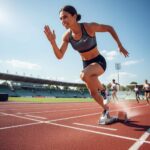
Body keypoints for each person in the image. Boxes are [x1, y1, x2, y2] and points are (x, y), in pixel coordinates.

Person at [44, 5, 129, 123]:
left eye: (65, 17)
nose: (63, 21)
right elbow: (59, 55)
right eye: (61, 19)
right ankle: (106, 110)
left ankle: (105, 92)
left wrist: (119, 45)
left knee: (84, 75)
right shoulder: (67, 36)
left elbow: (109, 28)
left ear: (74, 16)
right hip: (86, 64)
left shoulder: (88, 27)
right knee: (93, 92)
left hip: (99, 61)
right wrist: (52, 42)